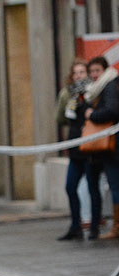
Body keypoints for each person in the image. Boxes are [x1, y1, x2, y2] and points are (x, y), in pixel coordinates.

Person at [55, 59, 102, 240]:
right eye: (75, 73)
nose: (78, 76)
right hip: (75, 147)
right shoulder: (69, 94)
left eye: (81, 72)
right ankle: (76, 226)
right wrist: (68, 101)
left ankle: (94, 227)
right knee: (70, 187)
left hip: (90, 147)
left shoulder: (94, 92)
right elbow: (61, 118)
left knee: (92, 187)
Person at [84, 56, 119, 239]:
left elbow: (112, 110)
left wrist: (93, 115)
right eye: (91, 71)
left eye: (97, 70)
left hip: (113, 146)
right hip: (108, 146)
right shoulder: (99, 88)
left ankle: (117, 227)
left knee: (115, 186)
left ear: (105, 70)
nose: (94, 74)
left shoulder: (109, 86)